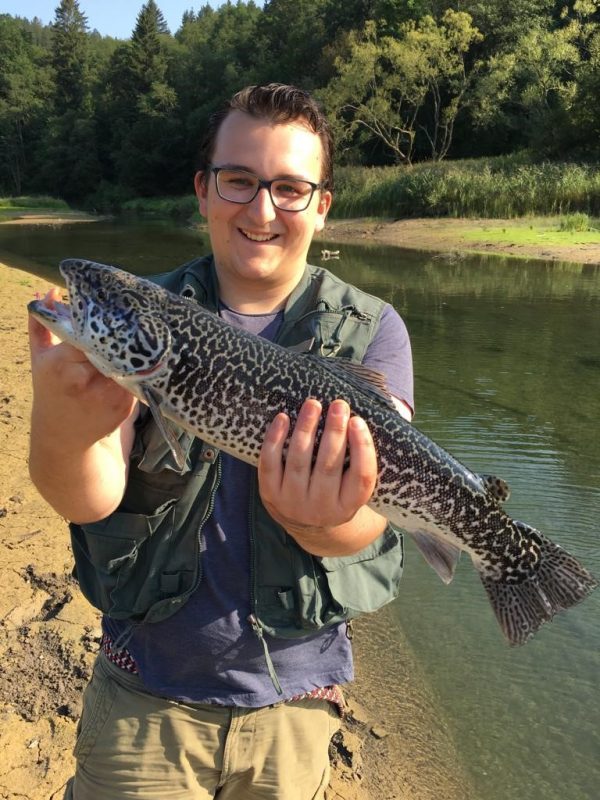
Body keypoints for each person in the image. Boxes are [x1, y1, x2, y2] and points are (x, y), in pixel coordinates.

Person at [28, 84, 414, 800]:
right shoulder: (155, 316)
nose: (262, 209)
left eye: (290, 188)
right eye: (239, 181)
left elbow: (374, 517)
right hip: (145, 698)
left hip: (295, 705)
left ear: (322, 204)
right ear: (203, 190)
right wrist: (61, 417)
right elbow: (89, 496)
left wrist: (315, 516)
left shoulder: (374, 330)